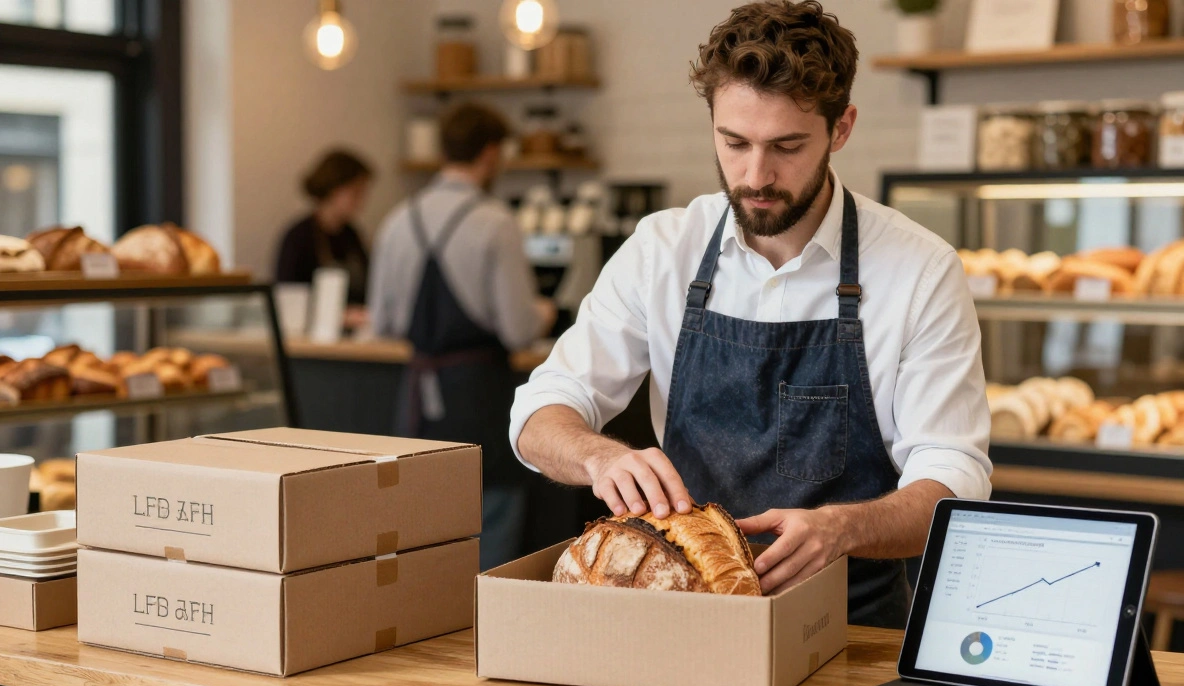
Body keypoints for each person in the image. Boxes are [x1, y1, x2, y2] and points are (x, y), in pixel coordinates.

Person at [510, 0, 991, 628]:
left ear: (841, 128)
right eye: (734, 143)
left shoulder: (919, 269)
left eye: (787, 146)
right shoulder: (663, 250)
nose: (756, 175)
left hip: (851, 628)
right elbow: (539, 411)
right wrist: (599, 457)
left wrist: (844, 528)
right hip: (686, 619)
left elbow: (955, 478)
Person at [368, 103, 556, 571]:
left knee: (419, 531)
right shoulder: (494, 221)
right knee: (490, 526)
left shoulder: (398, 218)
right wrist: (544, 312)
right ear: (490, 153)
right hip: (477, 399)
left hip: (415, 403)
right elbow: (518, 329)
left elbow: (382, 322)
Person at [275, 149, 374, 318]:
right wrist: (340, 315)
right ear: (334, 189)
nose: (361, 201)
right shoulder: (299, 237)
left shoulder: (352, 235)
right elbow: (289, 299)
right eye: (356, 193)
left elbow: (369, 285)